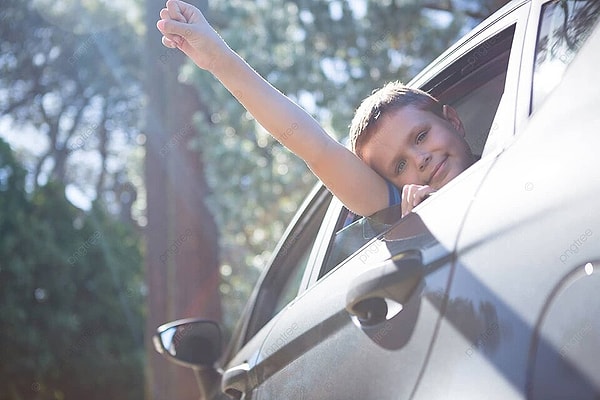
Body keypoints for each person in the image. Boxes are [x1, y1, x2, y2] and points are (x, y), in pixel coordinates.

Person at [156, 0, 476, 217]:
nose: (420, 160)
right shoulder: (399, 211)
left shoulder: (523, 142)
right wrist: (217, 59)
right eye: (399, 167)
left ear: (453, 120)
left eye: (420, 136)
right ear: (386, 188)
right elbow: (316, 147)